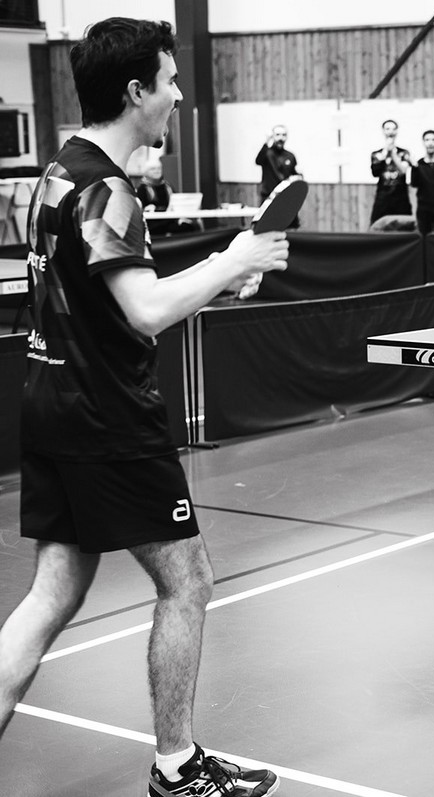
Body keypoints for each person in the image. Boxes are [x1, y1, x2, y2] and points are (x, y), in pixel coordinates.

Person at [0, 17, 288, 797]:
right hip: (109, 419)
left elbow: (120, 294)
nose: (179, 94)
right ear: (136, 91)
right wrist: (234, 257)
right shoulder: (107, 188)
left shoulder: (59, 172)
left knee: (53, 593)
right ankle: (177, 766)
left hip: (51, 402)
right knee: (188, 581)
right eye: (169, 79)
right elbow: (146, 311)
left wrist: (221, 271)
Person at [136, 159, 195, 237]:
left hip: (170, 220)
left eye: (159, 168)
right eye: (153, 169)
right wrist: (146, 209)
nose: (157, 171)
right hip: (153, 224)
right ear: (146, 172)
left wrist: (180, 217)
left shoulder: (168, 186)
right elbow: (138, 210)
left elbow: (176, 204)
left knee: (189, 226)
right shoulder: (142, 189)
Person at [368, 119, 412, 224]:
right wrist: (385, 152)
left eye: (393, 129)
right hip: (383, 199)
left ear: (397, 131)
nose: (390, 131)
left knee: (404, 227)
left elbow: (403, 170)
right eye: (387, 129)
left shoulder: (403, 153)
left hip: (401, 199)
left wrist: (392, 153)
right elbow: (375, 172)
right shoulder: (377, 154)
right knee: (377, 226)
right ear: (383, 131)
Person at [256, 124, 298, 201]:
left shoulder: (290, 156)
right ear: (272, 136)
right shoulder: (267, 153)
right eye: (277, 135)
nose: (281, 138)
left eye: (283, 135)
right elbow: (258, 161)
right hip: (268, 197)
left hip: (285, 197)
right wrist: (266, 142)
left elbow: (294, 174)